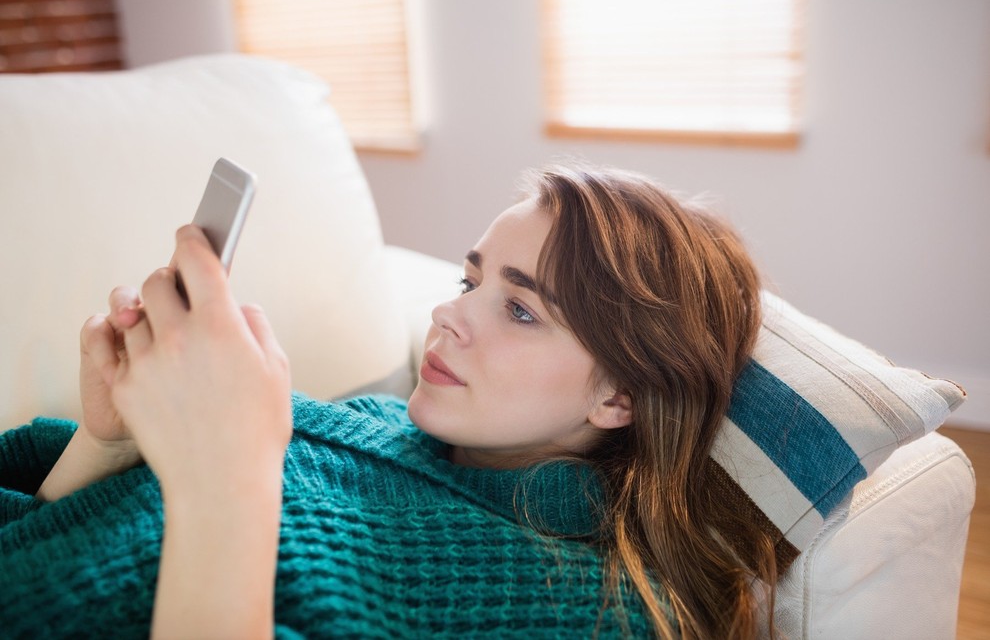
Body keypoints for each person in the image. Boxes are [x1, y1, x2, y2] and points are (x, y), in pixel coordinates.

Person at [0, 163, 771, 638]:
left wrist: (226, 483)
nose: (449, 315)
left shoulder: (602, 611)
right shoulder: (370, 426)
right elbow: (61, 541)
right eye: (471, 282)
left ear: (621, 396)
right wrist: (109, 442)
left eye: (521, 310)